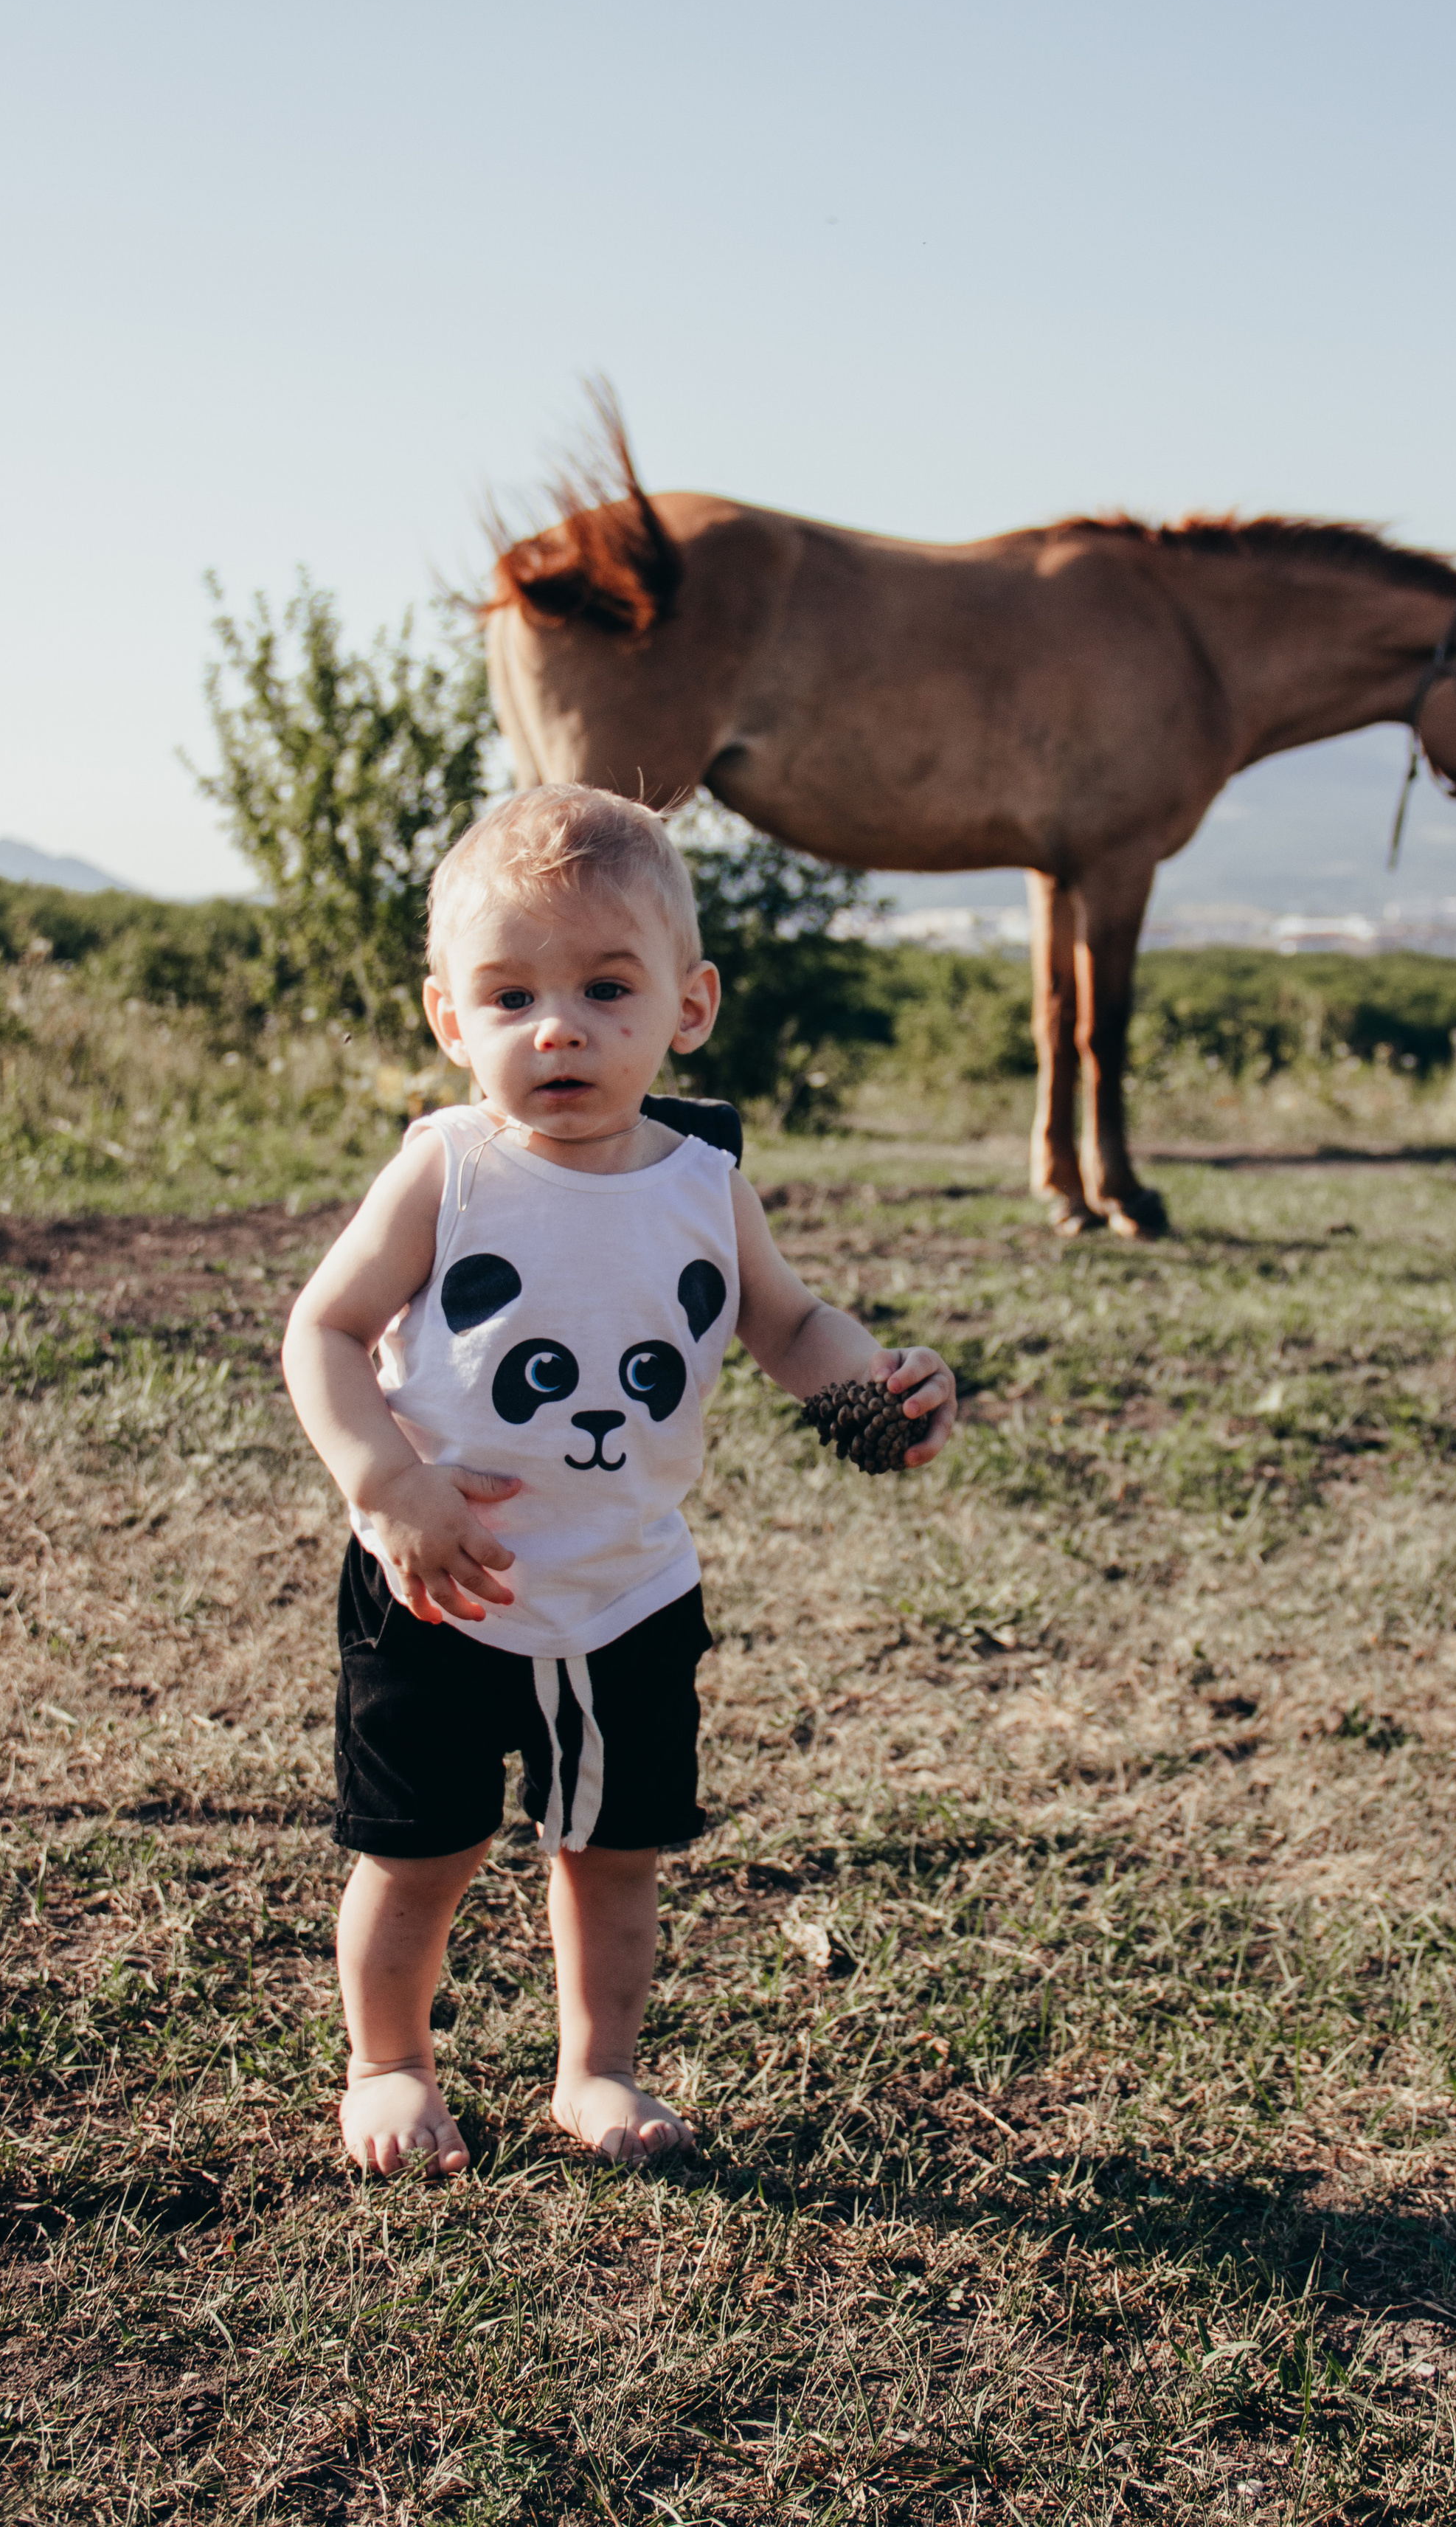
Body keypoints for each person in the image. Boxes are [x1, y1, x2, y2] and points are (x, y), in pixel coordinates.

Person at [281, 784, 956, 2177]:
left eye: (604, 986)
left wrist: (871, 1387)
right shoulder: (445, 1173)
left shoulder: (705, 1180)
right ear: (450, 1022)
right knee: (423, 1852)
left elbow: (785, 1323)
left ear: (687, 1007)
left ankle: (596, 2071)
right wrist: (383, 1479)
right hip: (443, 1585)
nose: (559, 1027)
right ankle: (389, 2063)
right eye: (511, 994)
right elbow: (324, 1331)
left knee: (612, 1853)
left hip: (630, 1590)